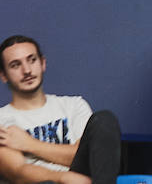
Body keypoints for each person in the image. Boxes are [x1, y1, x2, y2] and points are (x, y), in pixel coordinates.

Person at [0, 36, 122, 184]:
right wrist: (64, 178)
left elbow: (96, 158)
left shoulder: (74, 105)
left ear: (43, 63)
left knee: (104, 119)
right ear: (3, 75)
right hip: (48, 182)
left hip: (82, 177)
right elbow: (18, 172)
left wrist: (29, 144)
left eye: (32, 60)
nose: (26, 70)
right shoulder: (2, 119)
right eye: (15, 65)